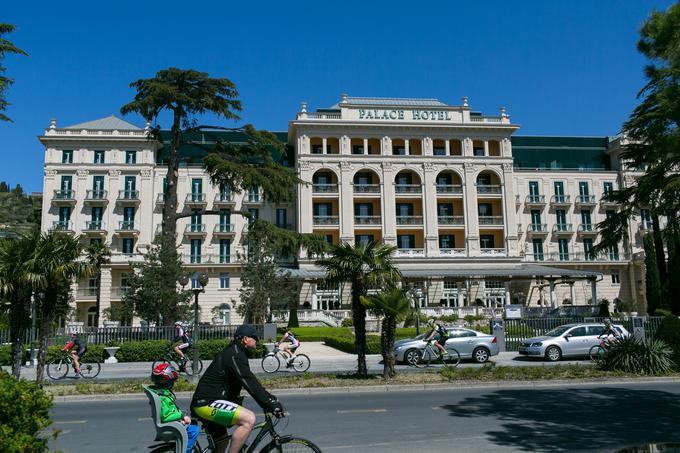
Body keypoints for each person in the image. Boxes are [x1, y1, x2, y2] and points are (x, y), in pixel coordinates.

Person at [191, 324, 284, 453]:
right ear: (245, 339)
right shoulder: (235, 354)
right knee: (249, 419)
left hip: (210, 400)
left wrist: (268, 400)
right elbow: (249, 381)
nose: (257, 340)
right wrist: (270, 402)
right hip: (207, 403)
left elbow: (249, 382)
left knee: (222, 441)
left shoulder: (236, 351)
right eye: (255, 338)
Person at [149, 363, 199, 453]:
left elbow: (169, 411)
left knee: (193, 422)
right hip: (169, 425)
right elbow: (165, 416)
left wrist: (181, 417)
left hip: (170, 422)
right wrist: (181, 416)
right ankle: (186, 450)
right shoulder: (162, 396)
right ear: (167, 381)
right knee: (194, 429)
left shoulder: (160, 393)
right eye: (172, 381)